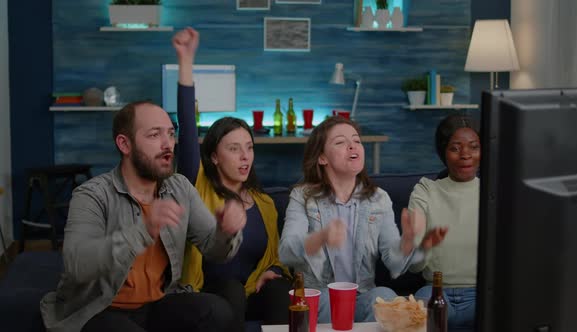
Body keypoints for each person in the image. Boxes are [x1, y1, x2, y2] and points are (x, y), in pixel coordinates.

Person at [40, 92, 247, 331]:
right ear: (124, 144)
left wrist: (225, 231)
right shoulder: (92, 195)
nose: (167, 143)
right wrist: (143, 230)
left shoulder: (180, 187)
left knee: (218, 312)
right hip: (101, 309)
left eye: (171, 133)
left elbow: (215, 250)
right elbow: (77, 264)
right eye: (154, 135)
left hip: (160, 304)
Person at [173, 28, 291, 330]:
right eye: (234, 149)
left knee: (280, 288)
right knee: (231, 289)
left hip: (254, 289)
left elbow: (276, 256)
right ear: (213, 156)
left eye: (249, 148)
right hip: (211, 294)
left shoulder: (264, 203)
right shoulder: (197, 186)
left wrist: (273, 270)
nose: (245, 157)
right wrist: (186, 61)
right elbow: (187, 131)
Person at [279, 116, 447, 323]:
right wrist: (320, 237)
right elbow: (286, 253)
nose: (352, 146)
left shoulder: (379, 198)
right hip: (319, 296)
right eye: (340, 142)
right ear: (322, 157)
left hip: (361, 297)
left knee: (385, 296)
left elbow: (394, 263)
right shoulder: (302, 197)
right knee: (319, 299)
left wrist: (410, 242)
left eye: (357, 141)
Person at [409, 114, 479, 330]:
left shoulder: (494, 192)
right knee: (418, 310)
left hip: (482, 295)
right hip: (435, 292)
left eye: (473, 147)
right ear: (444, 153)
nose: (465, 155)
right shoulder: (425, 191)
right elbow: (413, 265)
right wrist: (425, 245)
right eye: (455, 148)